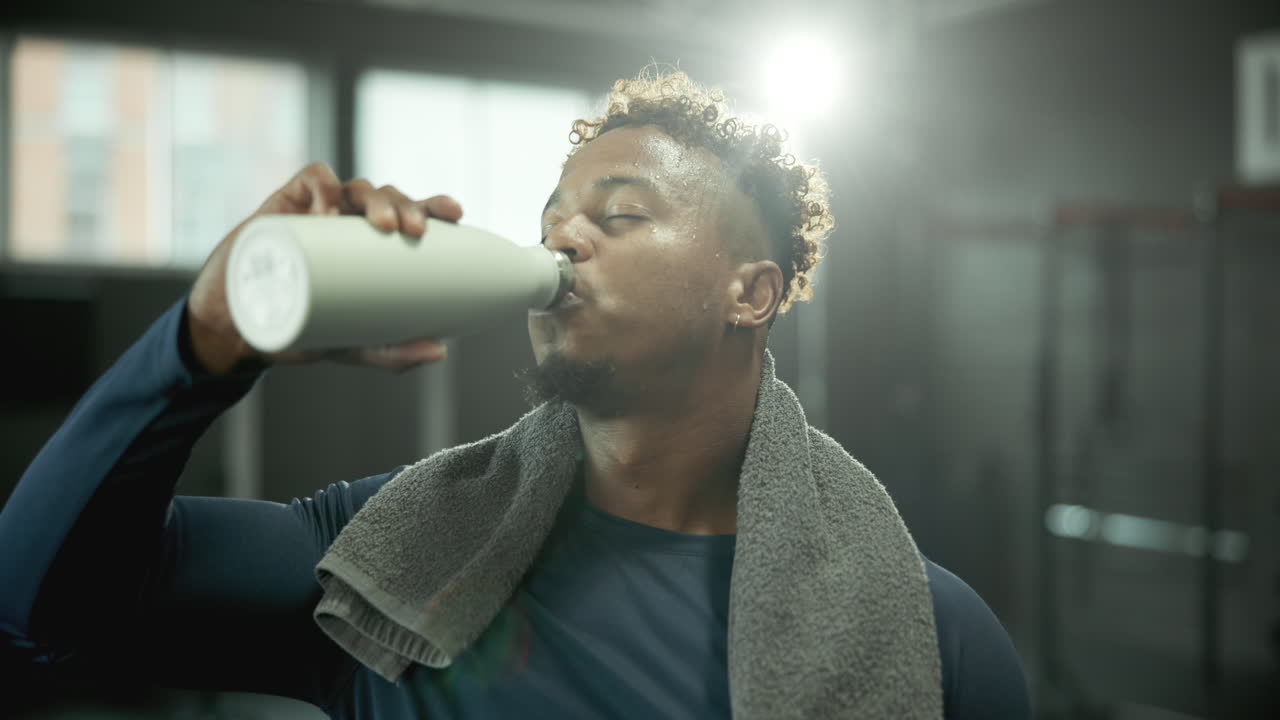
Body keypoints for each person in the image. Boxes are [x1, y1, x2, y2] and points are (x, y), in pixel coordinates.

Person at [0, 69, 1030, 719]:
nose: (561, 240)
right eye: (550, 221)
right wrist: (202, 342)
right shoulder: (391, 564)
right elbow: (33, 600)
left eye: (619, 214)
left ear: (748, 292)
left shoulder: (921, 636)